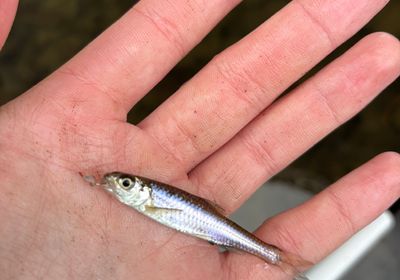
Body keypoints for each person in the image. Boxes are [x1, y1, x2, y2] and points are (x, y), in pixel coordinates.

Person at [0, 0, 399, 279]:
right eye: (125, 183)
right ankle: (275, 258)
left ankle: (274, 257)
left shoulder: (151, 200)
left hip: (218, 228)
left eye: (126, 183)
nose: (121, 186)